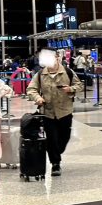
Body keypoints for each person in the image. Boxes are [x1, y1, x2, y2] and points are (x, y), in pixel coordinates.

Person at [26, 49, 83, 177]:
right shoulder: (40, 74)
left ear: (58, 58)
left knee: (64, 138)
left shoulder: (67, 72)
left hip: (65, 111)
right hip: (48, 112)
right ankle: (55, 164)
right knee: (51, 139)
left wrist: (70, 89)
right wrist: (38, 98)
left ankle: (57, 151)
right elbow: (31, 89)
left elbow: (79, 85)